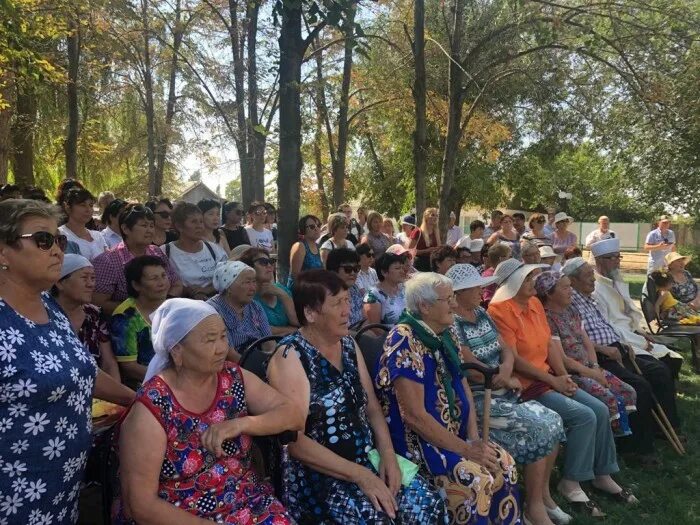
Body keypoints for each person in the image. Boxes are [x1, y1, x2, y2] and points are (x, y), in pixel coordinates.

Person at [266, 270, 448, 523]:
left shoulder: (348, 345)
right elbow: (295, 443)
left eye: (346, 300)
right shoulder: (290, 356)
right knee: (376, 518)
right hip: (321, 476)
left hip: (365, 458)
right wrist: (361, 476)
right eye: (336, 303)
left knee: (428, 505)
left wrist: (387, 455)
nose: (346, 310)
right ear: (310, 313)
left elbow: (372, 408)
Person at [0, 199, 133, 525]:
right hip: (12, 496)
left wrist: (140, 400)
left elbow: (80, 372)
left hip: (62, 489)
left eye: (58, 241)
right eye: (43, 241)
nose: (57, 250)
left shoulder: (50, 307)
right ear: (3, 252)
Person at [115, 298, 301, 524]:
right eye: (210, 340)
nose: (222, 347)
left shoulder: (232, 378)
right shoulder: (152, 407)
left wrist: (242, 424)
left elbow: (292, 414)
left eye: (223, 336)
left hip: (244, 500)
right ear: (177, 352)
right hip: (180, 514)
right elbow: (141, 506)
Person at [487, 258, 636, 517]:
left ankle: (603, 473)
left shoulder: (533, 303)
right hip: (527, 386)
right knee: (584, 415)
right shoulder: (499, 310)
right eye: (528, 278)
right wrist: (553, 380)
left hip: (548, 378)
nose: (534, 282)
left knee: (600, 409)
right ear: (514, 283)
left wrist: (564, 375)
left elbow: (549, 344)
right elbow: (515, 359)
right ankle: (572, 482)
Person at [375, 272, 520, 524]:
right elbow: (415, 417)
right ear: (424, 306)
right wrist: (466, 450)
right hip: (419, 444)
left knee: (504, 464)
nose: (454, 304)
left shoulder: (445, 332)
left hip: (455, 436)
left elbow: (461, 383)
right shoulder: (403, 340)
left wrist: (474, 438)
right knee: (477, 478)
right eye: (448, 299)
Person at [448, 264, 568, 525]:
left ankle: (542, 496)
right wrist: (500, 376)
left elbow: (506, 349)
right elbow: (474, 371)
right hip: (481, 398)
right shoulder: (452, 323)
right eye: (476, 287)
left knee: (553, 420)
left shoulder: (480, 313)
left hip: (503, 388)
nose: (482, 289)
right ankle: (533, 507)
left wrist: (505, 370)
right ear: (459, 293)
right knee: (539, 428)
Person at [565, 257, 682, 462]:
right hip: (601, 355)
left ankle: (663, 429)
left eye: (592, 276)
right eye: (587, 277)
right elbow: (575, 340)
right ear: (572, 281)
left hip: (618, 348)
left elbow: (607, 325)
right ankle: (636, 448)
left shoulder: (589, 297)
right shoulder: (570, 302)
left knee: (659, 371)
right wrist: (606, 349)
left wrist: (623, 343)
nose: (593, 280)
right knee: (639, 386)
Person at [536, 271, 637, 436]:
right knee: (608, 398)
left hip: (590, 367)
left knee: (628, 392)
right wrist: (591, 373)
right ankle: (606, 441)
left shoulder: (572, 310)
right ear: (549, 293)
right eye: (565, 288)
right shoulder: (547, 319)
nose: (571, 291)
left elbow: (586, 341)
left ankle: (619, 437)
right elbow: (563, 360)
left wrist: (596, 367)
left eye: (570, 286)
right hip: (573, 373)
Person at [589, 238, 684, 366]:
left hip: (632, 333)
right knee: (659, 368)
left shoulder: (616, 281)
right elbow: (608, 327)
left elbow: (629, 315)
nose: (617, 261)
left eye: (619, 257)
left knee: (673, 359)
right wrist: (641, 342)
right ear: (599, 260)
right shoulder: (595, 289)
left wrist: (641, 332)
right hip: (619, 340)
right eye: (613, 258)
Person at [93, 203, 181, 313]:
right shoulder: (108, 261)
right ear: (125, 228)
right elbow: (99, 302)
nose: (149, 231)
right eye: (144, 226)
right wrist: (140, 309)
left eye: (151, 226)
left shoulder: (157, 252)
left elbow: (176, 283)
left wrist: (164, 303)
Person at [52, 254, 121, 381]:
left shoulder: (94, 314)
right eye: (84, 278)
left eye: (93, 278)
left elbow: (109, 363)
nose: (91, 284)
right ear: (59, 283)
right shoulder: (45, 314)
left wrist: (116, 399)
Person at [111, 256, 170, 387]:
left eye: (163, 276)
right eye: (154, 278)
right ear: (136, 285)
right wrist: (169, 379)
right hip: (146, 384)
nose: (162, 282)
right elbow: (129, 367)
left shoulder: (173, 306)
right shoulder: (125, 316)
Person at [162, 202, 227, 299]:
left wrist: (207, 290)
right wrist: (189, 292)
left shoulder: (214, 249)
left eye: (201, 221)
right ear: (179, 226)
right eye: (193, 222)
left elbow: (227, 277)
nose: (199, 226)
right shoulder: (165, 252)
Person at [207, 261, 273, 353]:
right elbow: (229, 353)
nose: (253, 288)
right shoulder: (214, 310)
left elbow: (269, 342)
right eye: (247, 282)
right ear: (229, 287)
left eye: (254, 282)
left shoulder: (255, 307)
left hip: (258, 359)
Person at [239, 247, 300, 336]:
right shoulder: (247, 296)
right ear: (249, 268)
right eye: (263, 262)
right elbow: (262, 331)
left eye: (271, 261)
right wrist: (292, 330)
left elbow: (298, 322)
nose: (269, 265)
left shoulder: (282, 289)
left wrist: (283, 295)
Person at [58, 187, 108, 260]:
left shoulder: (98, 236)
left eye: (91, 205)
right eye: (82, 205)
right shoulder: (60, 235)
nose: (88, 210)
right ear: (68, 208)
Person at [363, 251, 408, 326]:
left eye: (402, 268)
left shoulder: (404, 288)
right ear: (384, 272)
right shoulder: (373, 295)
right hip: (388, 336)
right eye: (397, 268)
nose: (402, 271)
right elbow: (375, 329)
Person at [326, 247, 366, 327]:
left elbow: (365, 320)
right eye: (348, 269)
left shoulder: (354, 289)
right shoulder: (328, 295)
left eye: (356, 269)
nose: (353, 273)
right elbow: (335, 329)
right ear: (333, 270)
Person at [288, 214, 323, 287]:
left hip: (316, 290)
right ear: (303, 230)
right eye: (312, 227)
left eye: (318, 225)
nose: (316, 229)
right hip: (301, 291)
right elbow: (295, 276)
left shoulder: (319, 247)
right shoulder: (300, 246)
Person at [407, 207, 441, 271]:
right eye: (433, 215)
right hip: (420, 265)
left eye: (437, 215)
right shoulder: (418, 232)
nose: (435, 217)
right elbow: (410, 251)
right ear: (426, 217)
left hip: (433, 265)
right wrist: (426, 250)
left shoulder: (436, 233)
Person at [481, 243, 511, 307]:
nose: (511, 259)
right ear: (502, 259)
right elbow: (488, 300)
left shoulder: (503, 273)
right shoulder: (490, 277)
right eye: (509, 257)